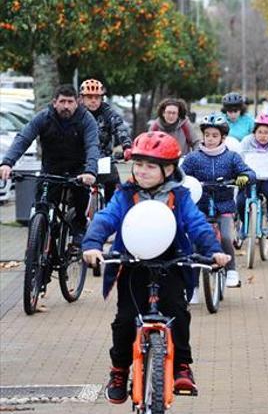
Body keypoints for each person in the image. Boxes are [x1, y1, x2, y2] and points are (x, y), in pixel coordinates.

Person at [80, 131, 231, 404]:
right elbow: (105, 218)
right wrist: (92, 244)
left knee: (177, 312)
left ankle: (182, 366)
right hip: (132, 263)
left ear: (169, 169)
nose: (142, 171)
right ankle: (119, 370)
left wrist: (215, 251)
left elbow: (197, 224)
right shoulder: (125, 194)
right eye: (138, 165)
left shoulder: (179, 196)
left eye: (150, 166)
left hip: (171, 262)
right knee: (125, 320)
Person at [0, 85, 99, 246]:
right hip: (51, 169)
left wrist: (90, 171)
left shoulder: (86, 120)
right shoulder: (44, 117)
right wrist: (7, 163)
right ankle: (37, 247)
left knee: (81, 196)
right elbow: (24, 138)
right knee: (41, 207)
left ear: (77, 103)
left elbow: (92, 147)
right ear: (54, 103)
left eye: (70, 102)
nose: (66, 106)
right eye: (62, 101)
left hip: (78, 170)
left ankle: (79, 228)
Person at [180, 113, 255, 288]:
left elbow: (249, 172)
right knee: (194, 243)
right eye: (207, 135)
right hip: (200, 206)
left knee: (227, 237)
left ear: (223, 137)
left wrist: (244, 176)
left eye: (215, 136)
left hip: (224, 205)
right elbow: (180, 174)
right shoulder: (193, 158)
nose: (211, 139)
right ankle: (194, 286)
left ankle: (231, 271)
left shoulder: (232, 157)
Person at [78, 78, 133, 196]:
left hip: (103, 158)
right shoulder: (76, 113)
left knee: (116, 180)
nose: (93, 101)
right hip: (79, 159)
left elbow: (120, 128)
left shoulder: (108, 112)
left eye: (97, 97)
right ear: (82, 98)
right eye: (89, 97)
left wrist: (127, 146)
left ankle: (110, 209)